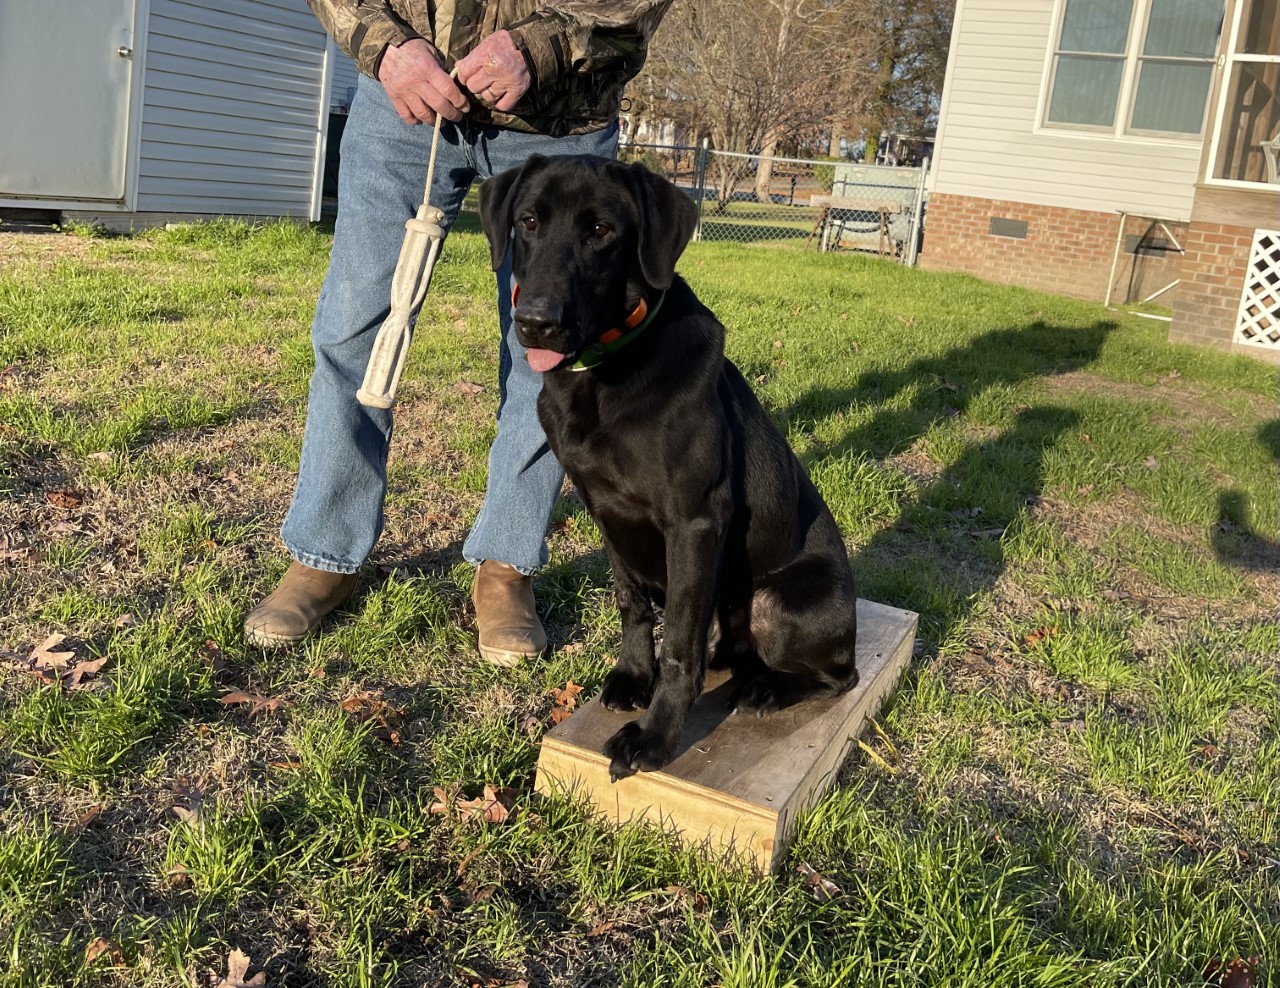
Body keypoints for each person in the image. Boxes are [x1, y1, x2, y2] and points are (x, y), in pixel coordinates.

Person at [244, 0, 675, 665]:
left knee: (548, 355)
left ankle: (506, 566)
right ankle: (325, 553)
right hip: (401, 100)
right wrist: (386, 47)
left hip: (558, 118)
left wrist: (541, 48)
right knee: (352, 329)